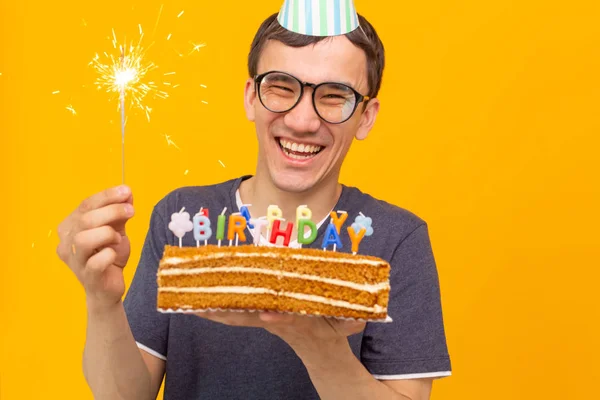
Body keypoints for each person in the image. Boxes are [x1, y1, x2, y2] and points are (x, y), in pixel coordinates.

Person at [56, 3, 451, 399]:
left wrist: (316, 341)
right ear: (251, 97)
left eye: (334, 96)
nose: (302, 121)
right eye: (281, 87)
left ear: (366, 116)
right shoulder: (182, 219)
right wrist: (103, 302)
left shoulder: (398, 239)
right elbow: (124, 395)